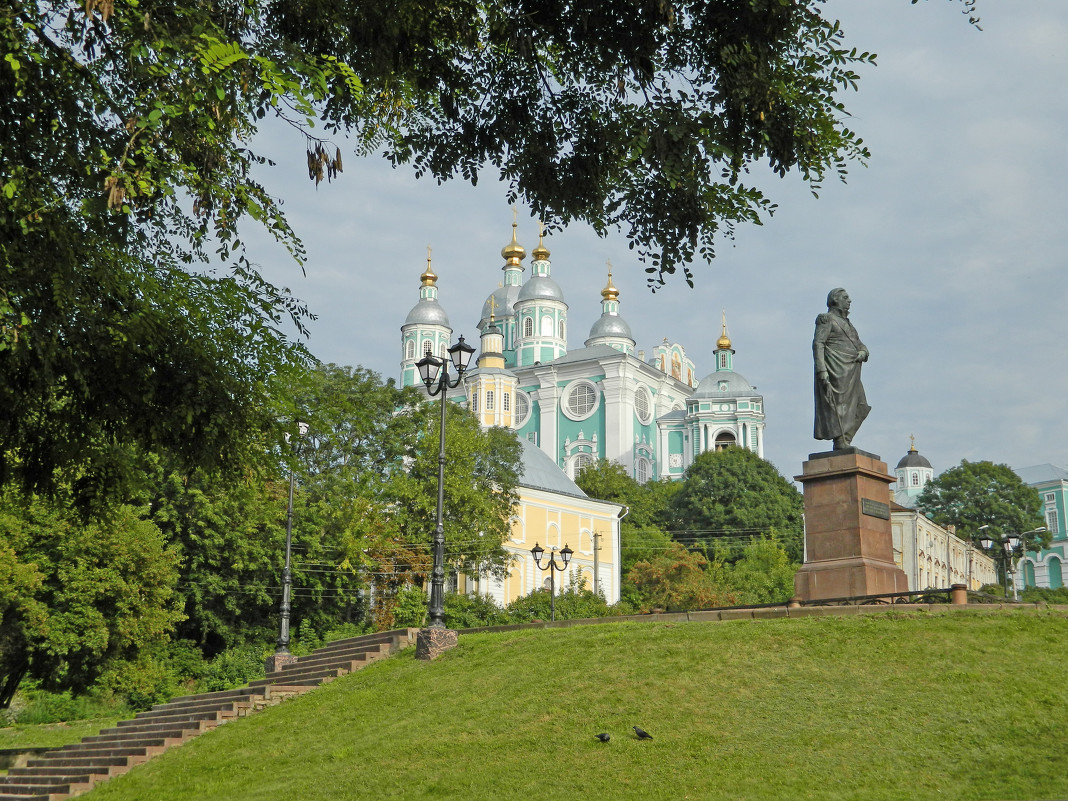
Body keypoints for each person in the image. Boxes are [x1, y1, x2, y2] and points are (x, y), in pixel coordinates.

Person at [813, 288, 870, 449]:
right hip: (835, 370)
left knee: (862, 406)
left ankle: (846, 438)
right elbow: (818, 344)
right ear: (835, 300)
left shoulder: (848, 324)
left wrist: (863, 352)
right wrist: (821, 369)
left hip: (852, 371)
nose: (849, 300)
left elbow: (860, 344)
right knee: (839, 408)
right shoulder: (827, 319)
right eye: (845, 297)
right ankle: (840, 441)